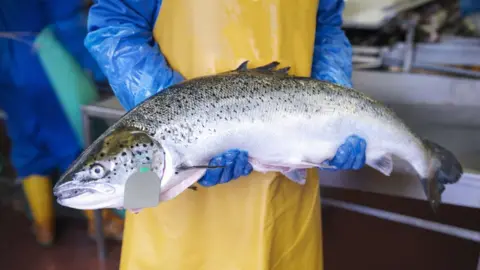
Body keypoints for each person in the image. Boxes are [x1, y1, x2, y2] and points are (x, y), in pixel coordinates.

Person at [85, 0, 367, 268]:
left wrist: (334, 106)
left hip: (287, 185)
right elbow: (114, 25)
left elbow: (326, 27)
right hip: (174, 186)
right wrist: (184, 127)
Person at [0, 0, 123, 245]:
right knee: (70, 141)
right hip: (41, 58)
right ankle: (101, 220)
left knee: (26, 141)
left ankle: (43, 226)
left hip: (5, 63)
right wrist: (98, 68)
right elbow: (66, 19)